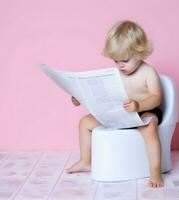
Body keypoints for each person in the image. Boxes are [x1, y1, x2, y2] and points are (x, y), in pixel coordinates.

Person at [66, 20, 164, 187]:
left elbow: (156, 97)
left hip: (144, 110)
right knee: (85, 123)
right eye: (115, 61)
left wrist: (139, 105)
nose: (120, 66)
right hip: (120, 113)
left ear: (140, 53)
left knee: (150, 128)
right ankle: (85, 160)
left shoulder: (148, 72)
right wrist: (82, 98)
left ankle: (155, 170)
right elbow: (104, 96)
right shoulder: (116, 73)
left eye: (124, 60)